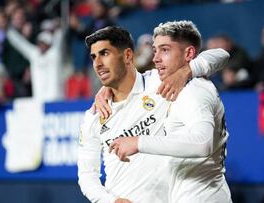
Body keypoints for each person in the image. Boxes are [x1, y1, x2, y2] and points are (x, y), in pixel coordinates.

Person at [78, 25, 229, 203]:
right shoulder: (94, 115)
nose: (97, 64)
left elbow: (221, 55)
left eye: (104, 54)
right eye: (93, 57)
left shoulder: (160, 82)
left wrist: (187, 71)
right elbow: (87, 175)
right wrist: (109, 201)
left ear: (127, 55)